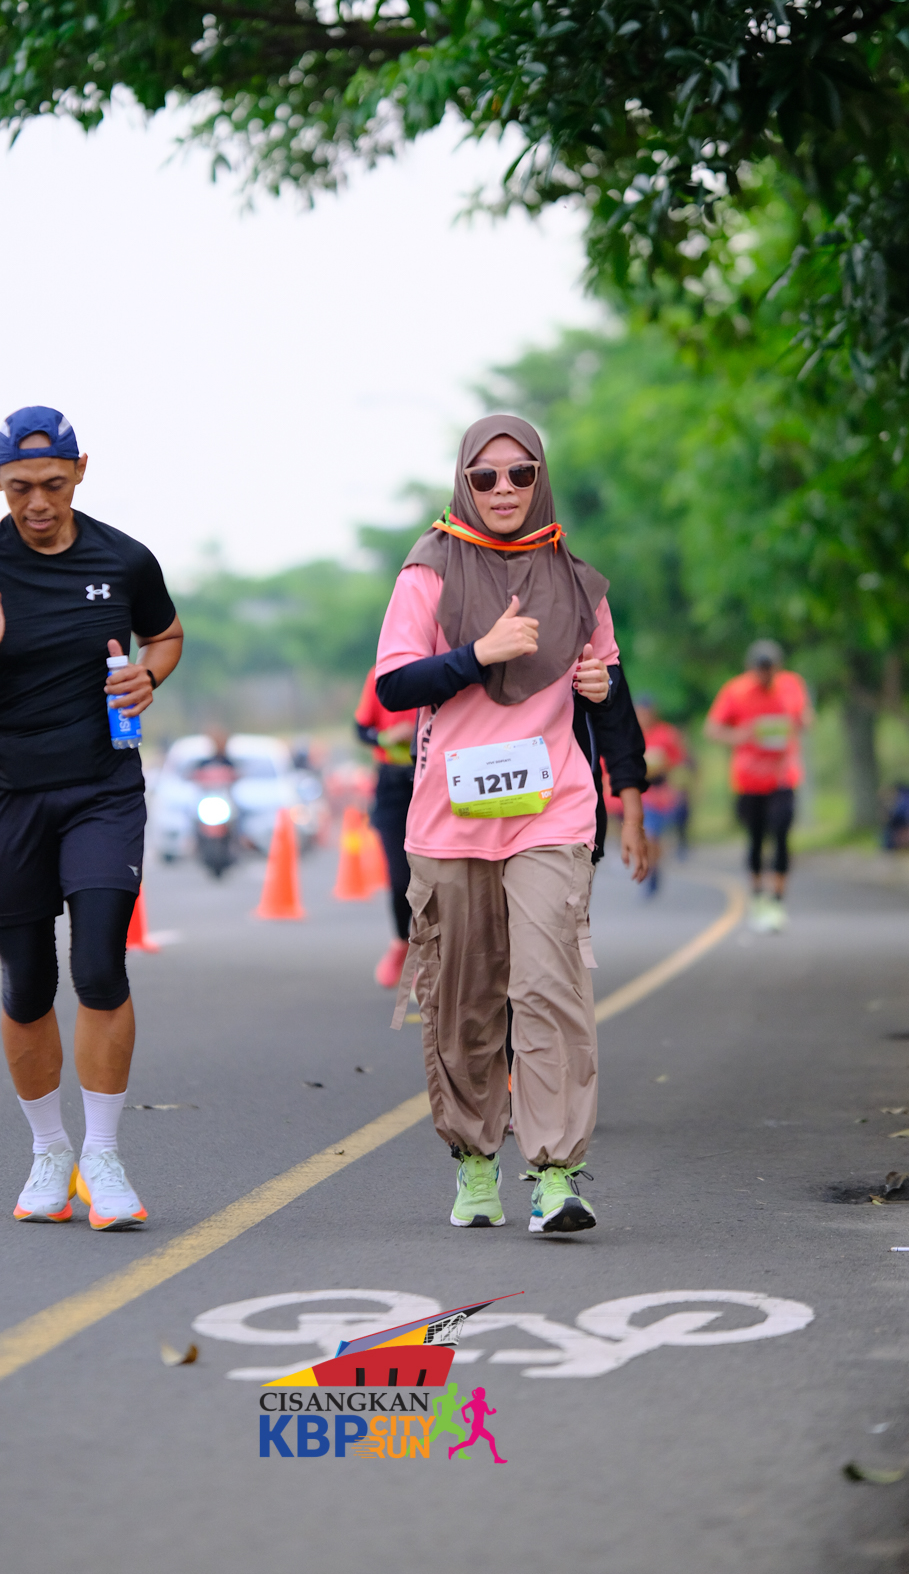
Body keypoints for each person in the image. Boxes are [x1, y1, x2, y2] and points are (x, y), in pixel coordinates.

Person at [375, 414, 649, 1236]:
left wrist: (629, 793)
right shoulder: (428, 570)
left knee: (548, 988)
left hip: (552, 813)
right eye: (486, 477)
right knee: (467, 1001)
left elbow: (613, 699)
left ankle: (557, 1174)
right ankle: (474, 1161)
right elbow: (394, 686)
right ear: (464, 482)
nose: (503, 490)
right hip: (451, 821)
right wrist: (479, 654)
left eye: (520, 474)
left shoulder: (577, 583)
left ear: (540, 479)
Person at [0, 407, 183, 1229]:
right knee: (28, 982)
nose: (37, 503)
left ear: (80, 471)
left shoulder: (123, 557)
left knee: (100, 965)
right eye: (20, 488)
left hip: (103, 790)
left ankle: (103, 1156)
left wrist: (148, 676)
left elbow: (167, 635)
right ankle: (48, 1151)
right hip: (8, 797)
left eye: (53, 485)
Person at [705, 640, 813, 931]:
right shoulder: (735, 690)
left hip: (782, 775)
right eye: (761, 668)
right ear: (751, 668)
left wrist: (795, 724)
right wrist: (739, 736)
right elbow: (712, 729)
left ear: (778, 667)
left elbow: (805, 719)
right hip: (749, 778)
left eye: (770, 668)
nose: (766, 674)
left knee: (781, 833)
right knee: (755, 838)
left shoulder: (792, 685)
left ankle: (777, 899)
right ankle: (757, 896)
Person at [353, 665, 418, 987]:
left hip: (432, 776)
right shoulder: (379, 674)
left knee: (439, 875)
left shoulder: (445, 665)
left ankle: (432, 953)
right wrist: (385, 737)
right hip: (392, 782)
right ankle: (401, 943)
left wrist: (417, 732)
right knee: (400, 877)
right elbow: (361, 729)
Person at [633, 694, 689, 895]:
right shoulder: (630, 734)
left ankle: (654, 868)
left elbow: (679, 762)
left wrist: (665, 768)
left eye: (647, 713)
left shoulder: (666, 734)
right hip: (639, 792)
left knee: (654, 835)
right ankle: (651, 869)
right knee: (646, 835)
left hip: (660, 792)